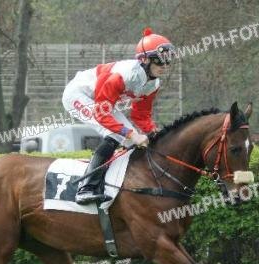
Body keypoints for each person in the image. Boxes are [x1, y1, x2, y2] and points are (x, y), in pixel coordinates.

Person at [62, 27, 175, 204]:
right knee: (116, 134)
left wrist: (154, 132)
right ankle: (86, 189)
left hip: (102, 103)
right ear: (144, 59)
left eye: (168, 60)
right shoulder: (122, 75)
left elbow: (141, 115)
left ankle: (118, 185)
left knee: (131, 142)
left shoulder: (153, 84)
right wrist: (131, 134)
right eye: (160, 60)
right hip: (78, 95)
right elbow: (102, 115)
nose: (165, 66)